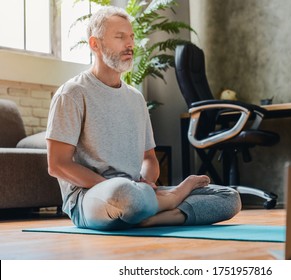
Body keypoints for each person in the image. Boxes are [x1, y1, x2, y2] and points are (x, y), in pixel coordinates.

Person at [46, 6, 241, 230]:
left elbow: (149, 158)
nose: (130, 44)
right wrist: (123, 188)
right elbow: (57, 165)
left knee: (228, 197)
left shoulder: (136, 98)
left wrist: (147, 182)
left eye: (131, 37)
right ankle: (169, 200)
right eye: (120, 37)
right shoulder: (72, 94)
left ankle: (154, 217)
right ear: (95, 44)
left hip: (137, 191)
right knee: (124, 195)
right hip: (91, 197)